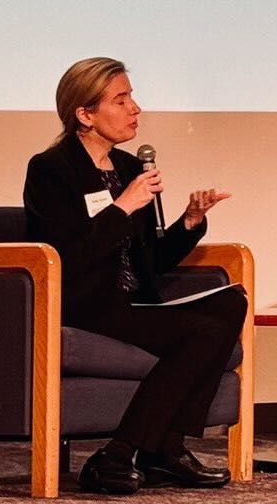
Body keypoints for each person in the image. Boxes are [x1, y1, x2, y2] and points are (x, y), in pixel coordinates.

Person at [24, 57, 246, 495]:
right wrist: (122, 207)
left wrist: (190, 221)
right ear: (84, 115)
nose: (135, 108)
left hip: (134, 300)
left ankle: (160, 449)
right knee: (201, 332)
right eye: (121, 99)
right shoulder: (51, 169)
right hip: (85, 303)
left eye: (132, 96)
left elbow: (153, 260)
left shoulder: (128, 168)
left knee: (230, 301)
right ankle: (128, 451)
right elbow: (65, 255)